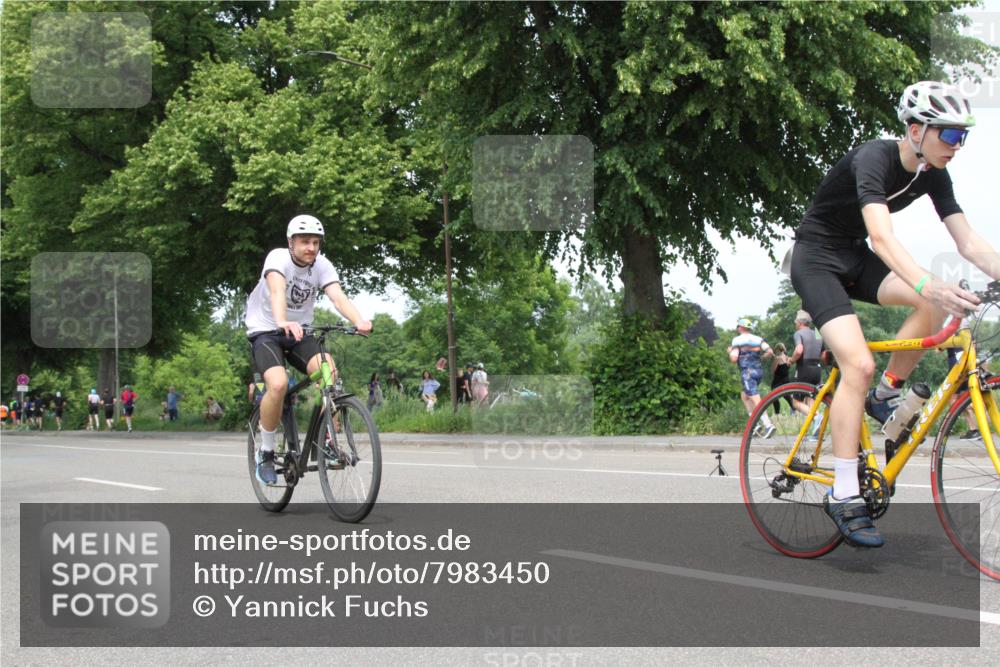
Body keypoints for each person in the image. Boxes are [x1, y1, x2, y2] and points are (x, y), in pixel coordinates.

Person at [789, 81, 1000, 548]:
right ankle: (844, 495)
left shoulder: (933, 174)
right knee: (857, 363)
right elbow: (882, 238)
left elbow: (967, 241)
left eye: (962, 136)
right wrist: (930, 282)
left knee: (929, 304)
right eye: (948, 135)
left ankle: (886, 393)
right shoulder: (874, 158)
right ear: (915, 128)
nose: (957, 146)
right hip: (817, 258)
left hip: (854, 256)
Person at [245, 214, 372, 485]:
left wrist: (358, 320)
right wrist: (281, 320)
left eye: (315, 242)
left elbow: (338, 297)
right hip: (267, 331)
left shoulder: (322, 265)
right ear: (291, 242)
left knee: (329, 372)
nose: (311, 247)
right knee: (277, 385)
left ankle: (326, 438)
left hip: (299, 331)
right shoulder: (277, 258)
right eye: (304, 241)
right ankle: (266, 452)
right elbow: (278, 291)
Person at [728, 318, 776, 437]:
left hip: (747, 373)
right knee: (745, 396)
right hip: (759, 371)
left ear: (741, 328)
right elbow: (770, 352)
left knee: (755, 398)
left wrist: (730, 351)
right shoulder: (758, 339)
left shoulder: (737, 340)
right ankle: (755, 425)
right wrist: (762, 358)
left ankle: (768, 424)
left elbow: (734, 359)